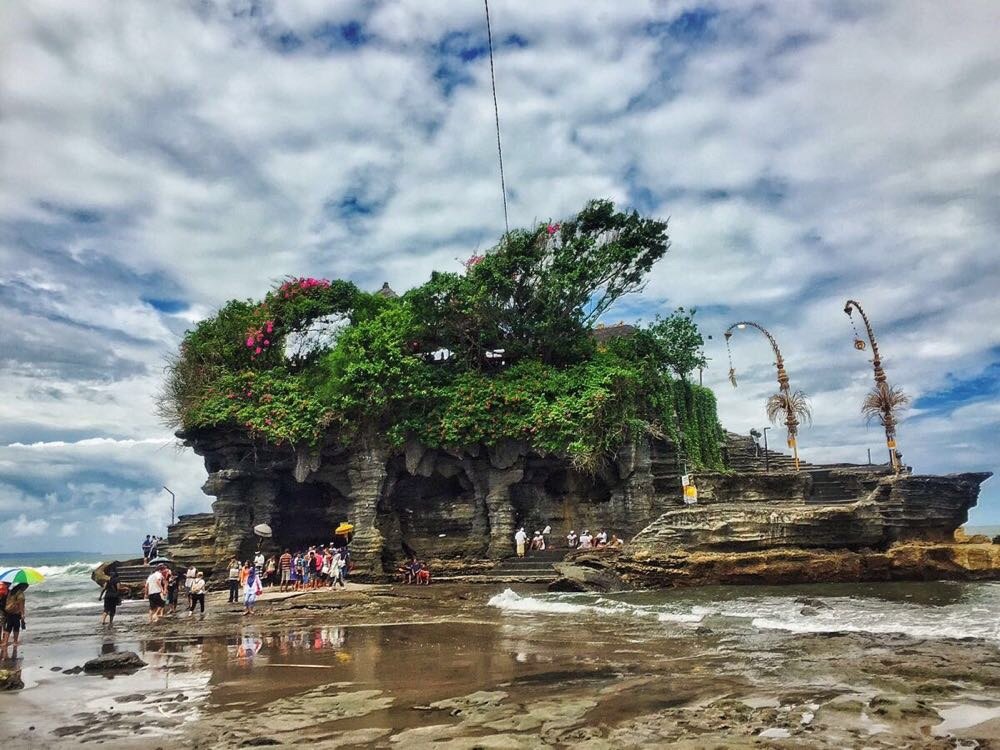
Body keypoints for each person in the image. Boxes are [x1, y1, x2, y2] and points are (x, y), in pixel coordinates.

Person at [0, 583, 27, 650]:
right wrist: (22, 614)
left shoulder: (11, 591)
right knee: (16, 627)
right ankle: (15, 641)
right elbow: (21, 605)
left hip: (9, 611)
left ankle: (5, 642)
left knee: (8, 627)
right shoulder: (20, 594)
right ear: (23, 587)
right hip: (16, 612)